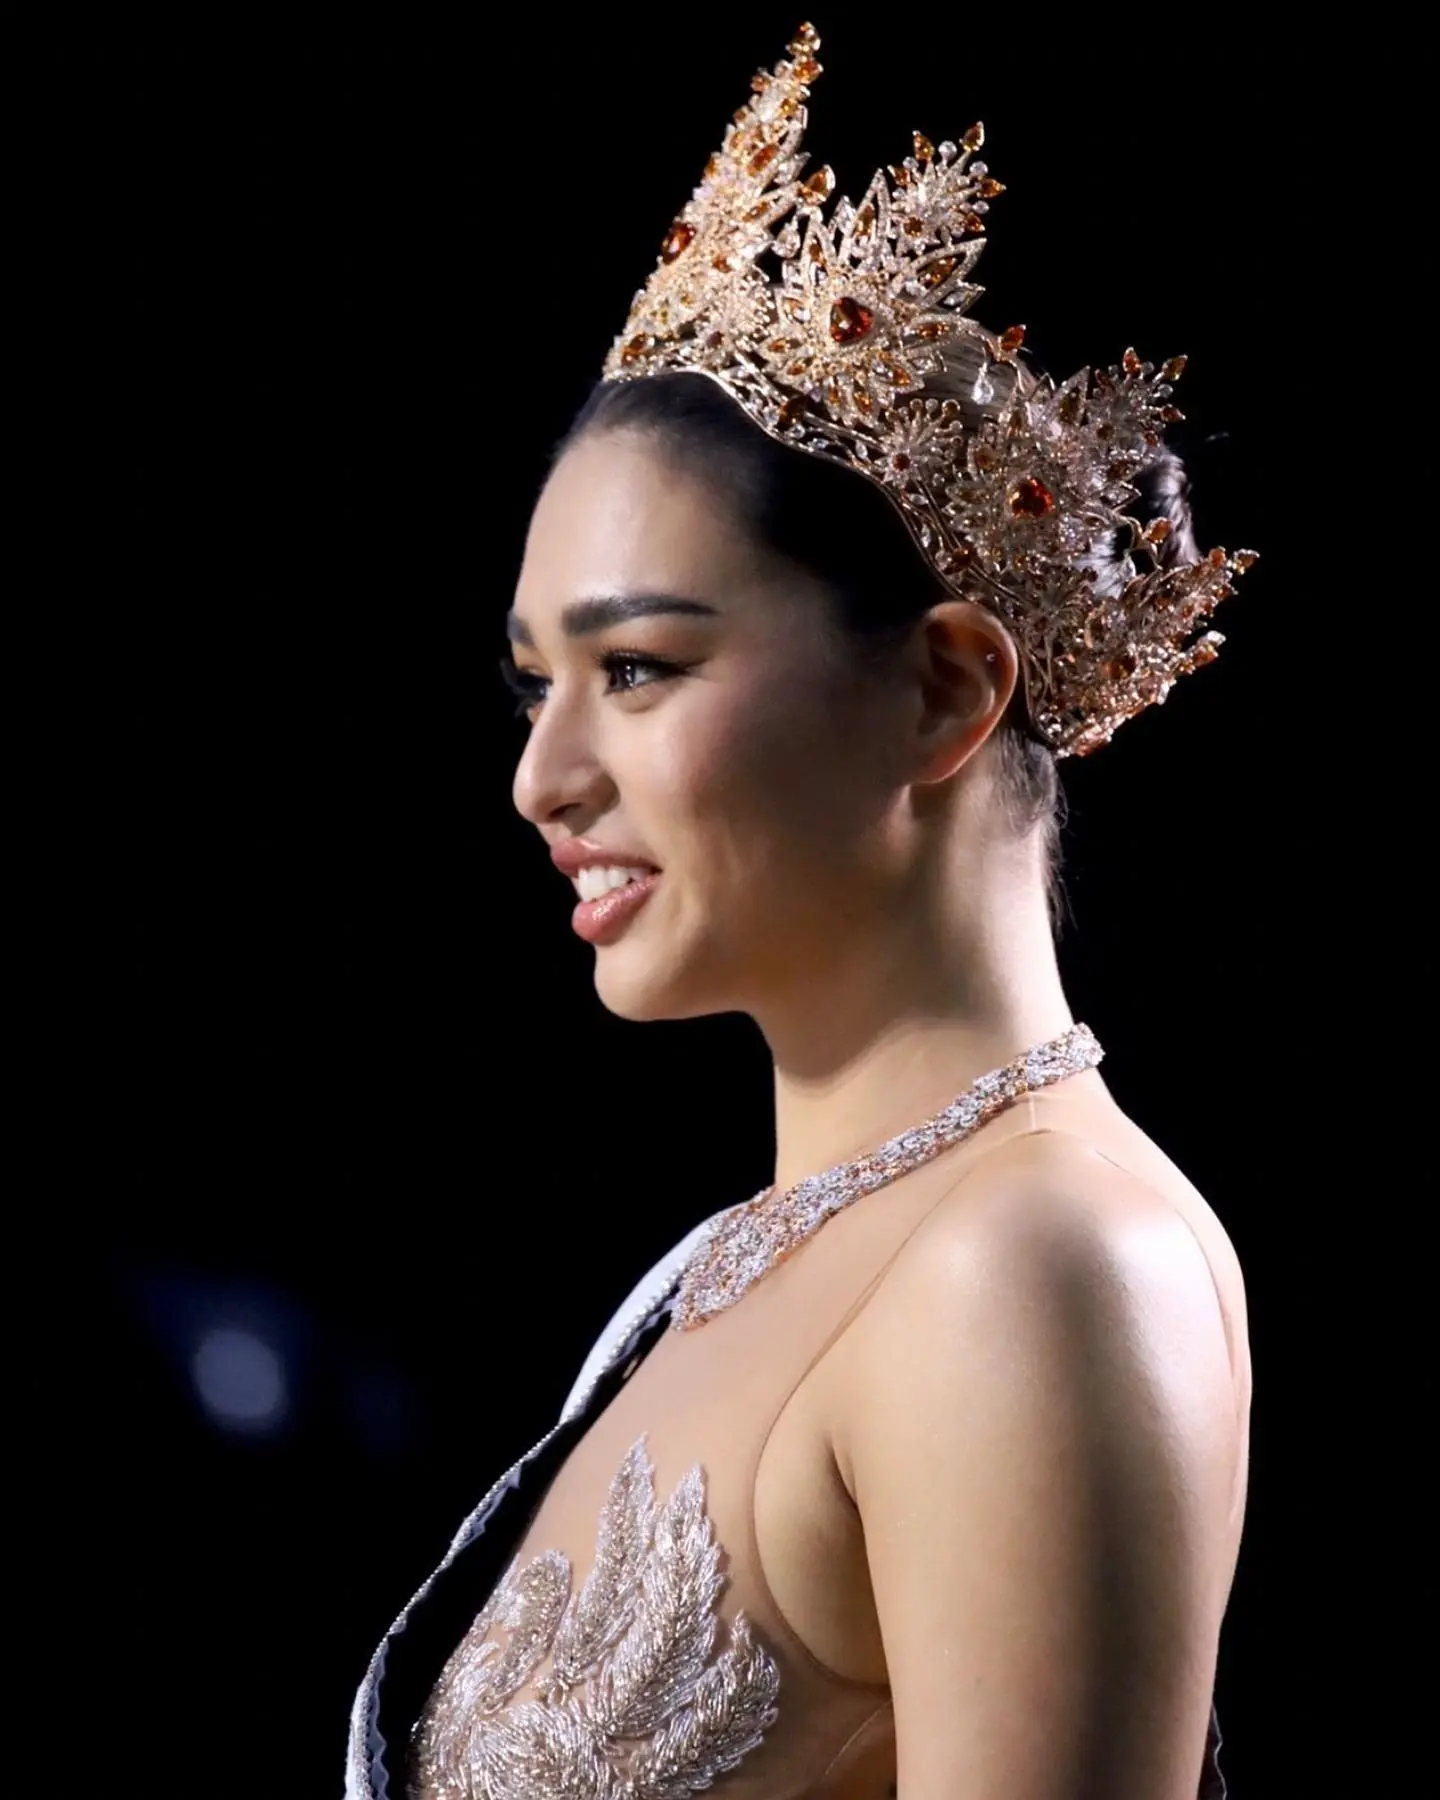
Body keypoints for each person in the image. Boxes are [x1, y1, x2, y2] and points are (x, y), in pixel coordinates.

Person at [346, 26, 1254, 1799]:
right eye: (534, 685)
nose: (542, 779)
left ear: (943, 690)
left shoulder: (1036, 1268)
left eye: (637, 667)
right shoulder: (747, 1264)